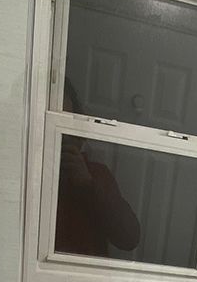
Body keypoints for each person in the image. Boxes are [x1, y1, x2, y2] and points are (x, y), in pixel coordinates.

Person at [55, 80, 141, 257]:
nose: (60, 141)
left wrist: (88, 186)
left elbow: (129, 238)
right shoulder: (24, 174)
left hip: (88, 277)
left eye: (65, 132)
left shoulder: (95, 174)